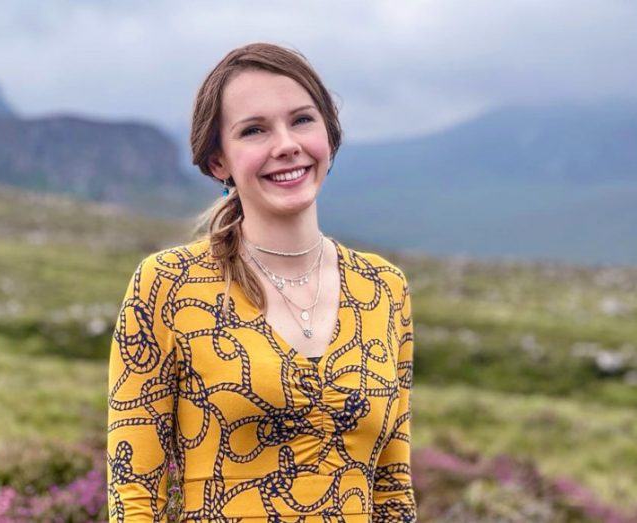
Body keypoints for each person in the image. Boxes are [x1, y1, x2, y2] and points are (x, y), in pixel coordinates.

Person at [107, 41, 417, 522]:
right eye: (254, 130)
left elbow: (393, 491)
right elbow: (133, 497)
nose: (286, 144)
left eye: (302, 120)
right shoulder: (168, 285)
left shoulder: (383, 288)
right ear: (218, 162)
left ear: (329, 137)